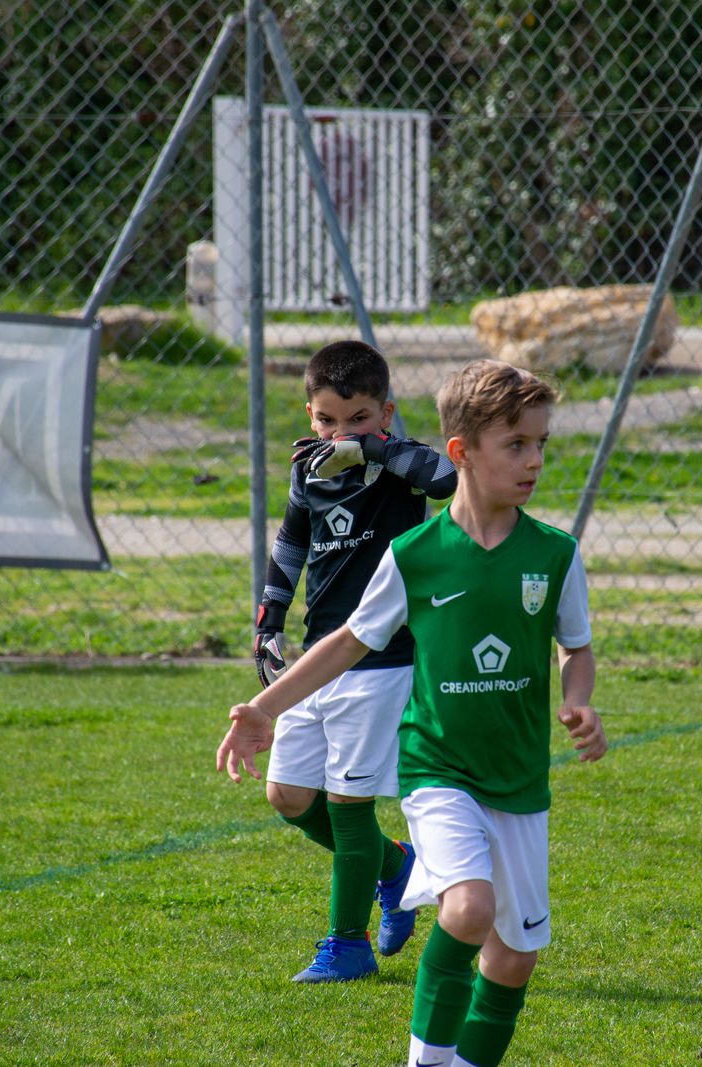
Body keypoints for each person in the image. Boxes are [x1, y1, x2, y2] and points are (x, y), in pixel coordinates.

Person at [219, 360, 607, 1067]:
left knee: (514, 960)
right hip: (439, 770)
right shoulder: (415, 555)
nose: (535, 461)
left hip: (519, 778)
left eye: (541, 444)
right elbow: (348, 640)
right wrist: (265, 707)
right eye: (516, 444)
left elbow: (574, 648)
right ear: (463, 452)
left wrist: (577, 700)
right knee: (467, 909)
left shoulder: (555, 555)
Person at [252, 340, 458, 982]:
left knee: (348, 804)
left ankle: (347, 946)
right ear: (309, 415)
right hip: (318, 657)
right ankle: (396, 868)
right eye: (327, 420)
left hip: (382, 660)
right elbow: (292, 543)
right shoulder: (308, 471)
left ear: (386, 414)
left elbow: (448, 480)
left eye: (359, 418)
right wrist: (269, 619)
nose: (340, 432)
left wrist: (371, 449)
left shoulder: (401, 465)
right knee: (288, 795)